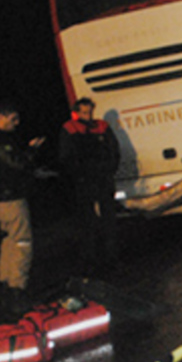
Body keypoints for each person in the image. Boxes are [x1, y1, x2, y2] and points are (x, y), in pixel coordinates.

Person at [0, 102, 44, 314]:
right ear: (2, 116)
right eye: (14, 119)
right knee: (22, 242)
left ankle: (4, 286)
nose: (17, 124)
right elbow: (16, 163)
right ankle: (17, 289)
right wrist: (32, 150)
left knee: (9, 240)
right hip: (10, 199)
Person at [59, 97, 121, 274]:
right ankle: (90, 260)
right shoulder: (70, 129)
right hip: (84, 182)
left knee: (108, 220)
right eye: (84, 112)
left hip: (103, 180)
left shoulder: (101, 126)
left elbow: (114, 150)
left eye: (90, 112)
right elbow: (66, 157)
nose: (88, 115)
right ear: (77, 112)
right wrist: (79, 176)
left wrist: (110, 170)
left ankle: (111, 258)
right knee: (88, 223)